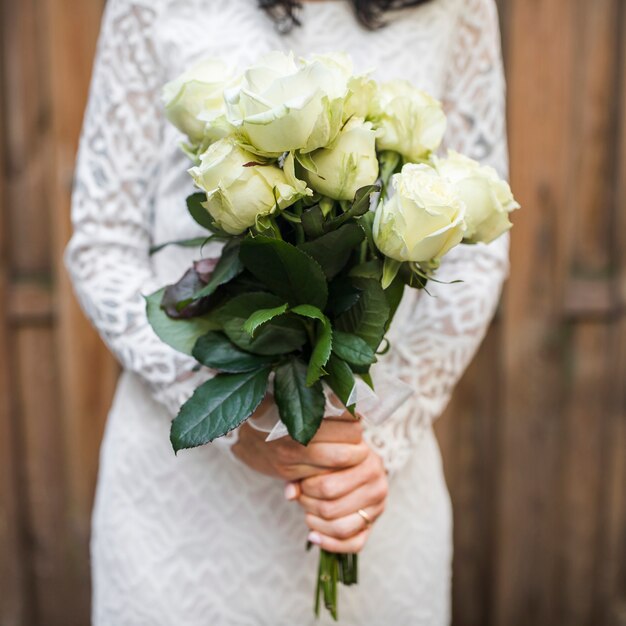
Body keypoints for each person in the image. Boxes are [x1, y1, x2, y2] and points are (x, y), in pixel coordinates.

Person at [65, 0, 510, 623]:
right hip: (184, 509)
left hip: (366, 488)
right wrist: (231, 417)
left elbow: (479, 240)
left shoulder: (457, 8)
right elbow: (102, 243)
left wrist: (374, 447)